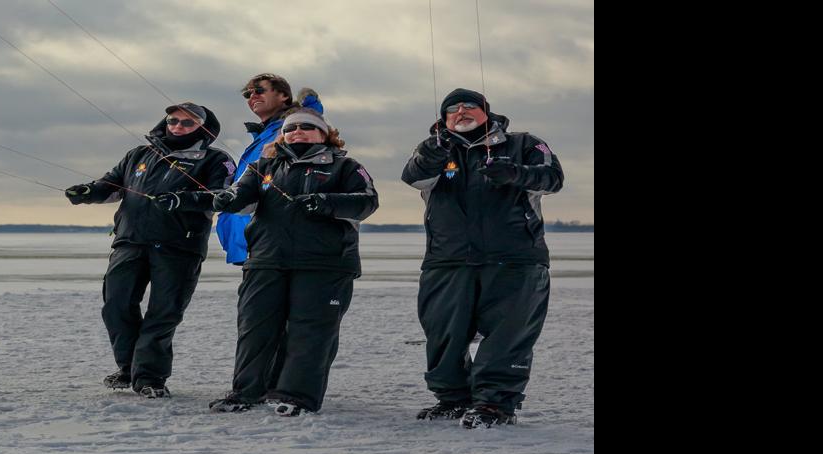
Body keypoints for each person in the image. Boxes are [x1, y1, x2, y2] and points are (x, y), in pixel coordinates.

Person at [174, 108, 378, 416]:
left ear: (324, 134)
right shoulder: (263, 166)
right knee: (255, 327)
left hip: (324, 265)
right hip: (266, 261)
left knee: (309, 332)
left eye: (306, 127)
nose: (297, 132)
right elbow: (240, 197)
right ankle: (246, 391)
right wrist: (227, 200)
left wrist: (327, 203)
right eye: (291, 128)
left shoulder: (345, 166)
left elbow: (367, 202)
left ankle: (297, 396)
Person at [401, 89, 564, 428]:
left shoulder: (524, 144)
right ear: (444, 119)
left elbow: (552, 179)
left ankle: (495, 404)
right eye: (453, 109)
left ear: (486, 113)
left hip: (515, 258)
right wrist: (436, 148)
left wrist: (514, 172)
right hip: (447, 259)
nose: (462, 112)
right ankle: (452, 398)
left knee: (508, 333)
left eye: (470, 106)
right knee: (443, 333)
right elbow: (414, 175)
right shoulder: (432, 148)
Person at [64, 103, 234, 397]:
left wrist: (185, 200)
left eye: (187, 123)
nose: (178, 126)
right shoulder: (139, 154)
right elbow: (111, 185)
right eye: (174, 121)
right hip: (130, 241)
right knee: (116, 306)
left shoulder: (215, 160)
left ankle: (150, 378)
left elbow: (224, 196)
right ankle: (129, 368)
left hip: (178, 246)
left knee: (163, 313)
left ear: (203, 129)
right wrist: (88, 193)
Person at [214, 75, 323, 267]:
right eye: (248, 94)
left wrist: (308, 109)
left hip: (274, 241)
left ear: (283, 95)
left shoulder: (288, 128)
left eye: (259, 90)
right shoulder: (262, 136)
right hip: (250, 240)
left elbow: (312, 127)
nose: (252, 96)